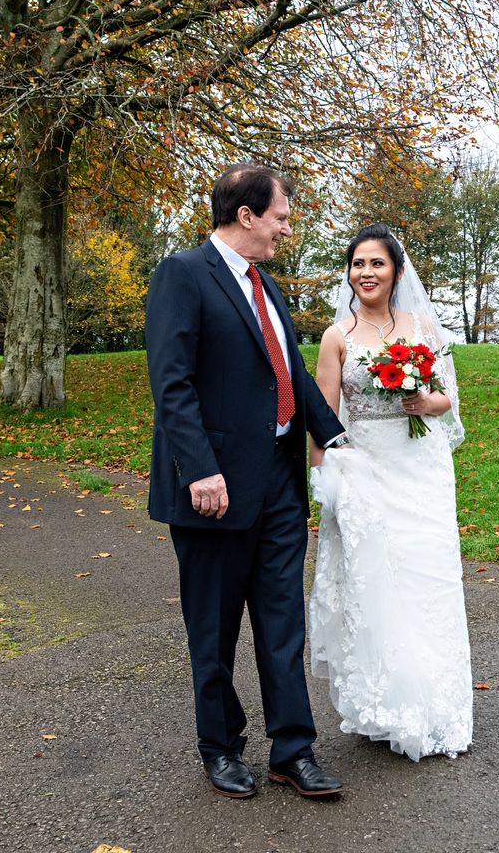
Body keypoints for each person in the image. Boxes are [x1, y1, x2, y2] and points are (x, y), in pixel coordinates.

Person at [145, 162, 350, 800]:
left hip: (281, 488)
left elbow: (287, 371)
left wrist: (337, 438)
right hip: (215, 491)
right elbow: (171, 382)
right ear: (246, 216)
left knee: (283, 622)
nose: (286, 230)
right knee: (214, 629)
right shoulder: (183, 275)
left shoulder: (265, 286)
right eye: (282, 218)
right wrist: (199, 468)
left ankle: (294, 749)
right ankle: (221, 748)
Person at [308, 223, 473, 761]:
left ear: (396, 271)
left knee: (430, 580)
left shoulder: (421, 325)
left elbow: (447, 398)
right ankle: (388, 706)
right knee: (379, 582)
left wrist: (429, 404)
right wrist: (325, 478)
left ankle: (440, 709)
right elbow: (323, 417)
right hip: (368, 469)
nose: (366, 273)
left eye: (376, 263)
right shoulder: (338, 337)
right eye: (357, 264)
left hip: (421, 467)